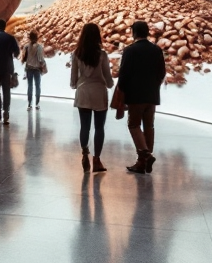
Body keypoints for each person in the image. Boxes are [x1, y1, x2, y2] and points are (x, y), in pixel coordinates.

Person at [115, 20, 167, 174]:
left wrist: (122, 92)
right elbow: (162, 72)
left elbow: (123, 74)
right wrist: (154, 85)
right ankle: (142, 162)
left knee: (133, 125)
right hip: (152, 95)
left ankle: (146, 155)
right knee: (149, 126)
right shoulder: (156, 50)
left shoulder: (130, 50)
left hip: (136, 95)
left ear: (134, 32)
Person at [71, 22, 113, 172]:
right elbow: (108, 79)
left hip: (83, 92)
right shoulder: (102, 55)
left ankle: (84, 153)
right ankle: (97, 160)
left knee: (84, 126)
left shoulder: (76, 54)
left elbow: (73, 81)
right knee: (99, 127)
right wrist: (110, 83)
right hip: (99, 93)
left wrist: (77, 85)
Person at [21, 30, 46, 110]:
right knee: (37, 86)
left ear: (29, 37)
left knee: (30, 86)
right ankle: (37, 103)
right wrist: (44, 65)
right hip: (37, 70)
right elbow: (40, 59)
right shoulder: (39, 47)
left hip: (28, 69)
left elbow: (24, 58)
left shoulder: (26, 46)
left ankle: (29, 103)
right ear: (37, 38)